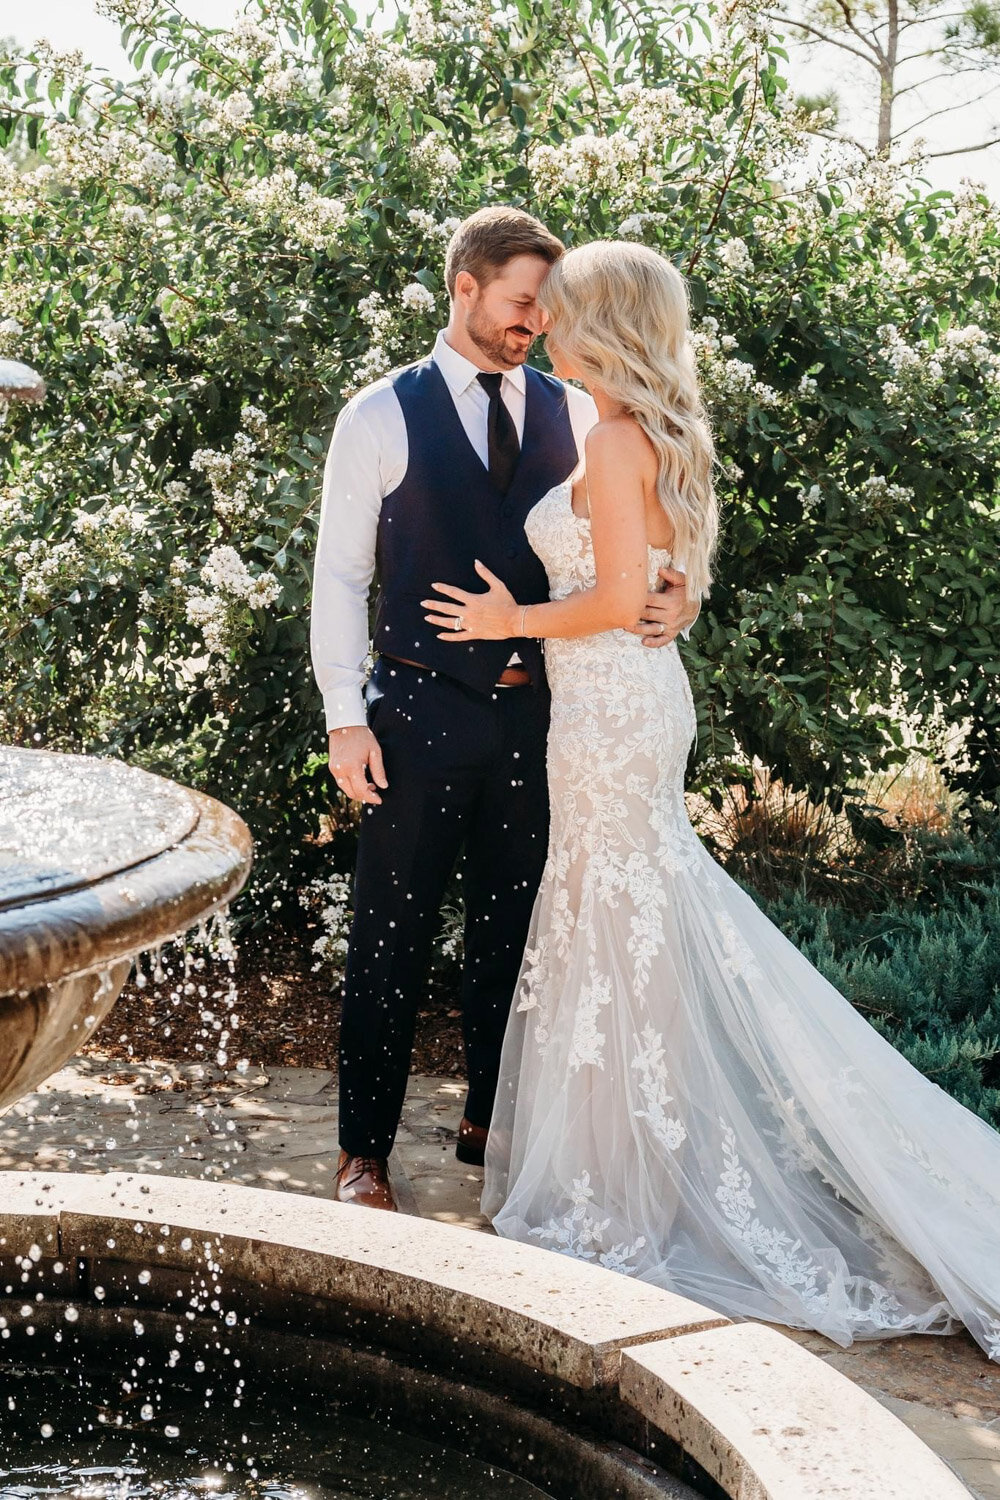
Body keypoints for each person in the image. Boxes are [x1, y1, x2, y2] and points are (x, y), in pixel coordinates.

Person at [422, 239, 1000, 1362]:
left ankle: (624, 1195)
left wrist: (511, 624)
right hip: (611, 707)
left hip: (614, 713)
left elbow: (623, 595)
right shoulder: (630, 431)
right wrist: (666, 601)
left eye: (565, 306)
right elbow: (662, 583)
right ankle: (615, 1178)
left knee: (627, 922)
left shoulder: (621, 434)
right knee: (617, 925)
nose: (544, 320)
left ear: (606, 321)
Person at [310, 209, 698, 1212]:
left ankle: (493, 1115)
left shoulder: (579, 413)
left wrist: (676, 593)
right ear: (466, 288)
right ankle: (364, 1153)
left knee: (520, 928)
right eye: (523, 302)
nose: (535, 324)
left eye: (548, 308)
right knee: (390, 932)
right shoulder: (378, 414)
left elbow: (636, 540)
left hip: (545, 719)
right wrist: (343, 717)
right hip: (415, 714)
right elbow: (340, 577)